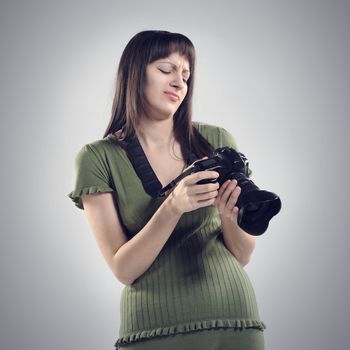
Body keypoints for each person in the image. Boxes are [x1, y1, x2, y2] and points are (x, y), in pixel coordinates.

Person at [68, 30, 266, 350]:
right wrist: (173, 206)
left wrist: (229, 214)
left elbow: (241, 255)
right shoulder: (98, 157)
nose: (179, 82)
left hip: (236, 321)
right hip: (155, 331)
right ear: (134, 75)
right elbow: (124, 269)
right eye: (166, 70)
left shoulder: (217, 140)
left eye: (186, 75)